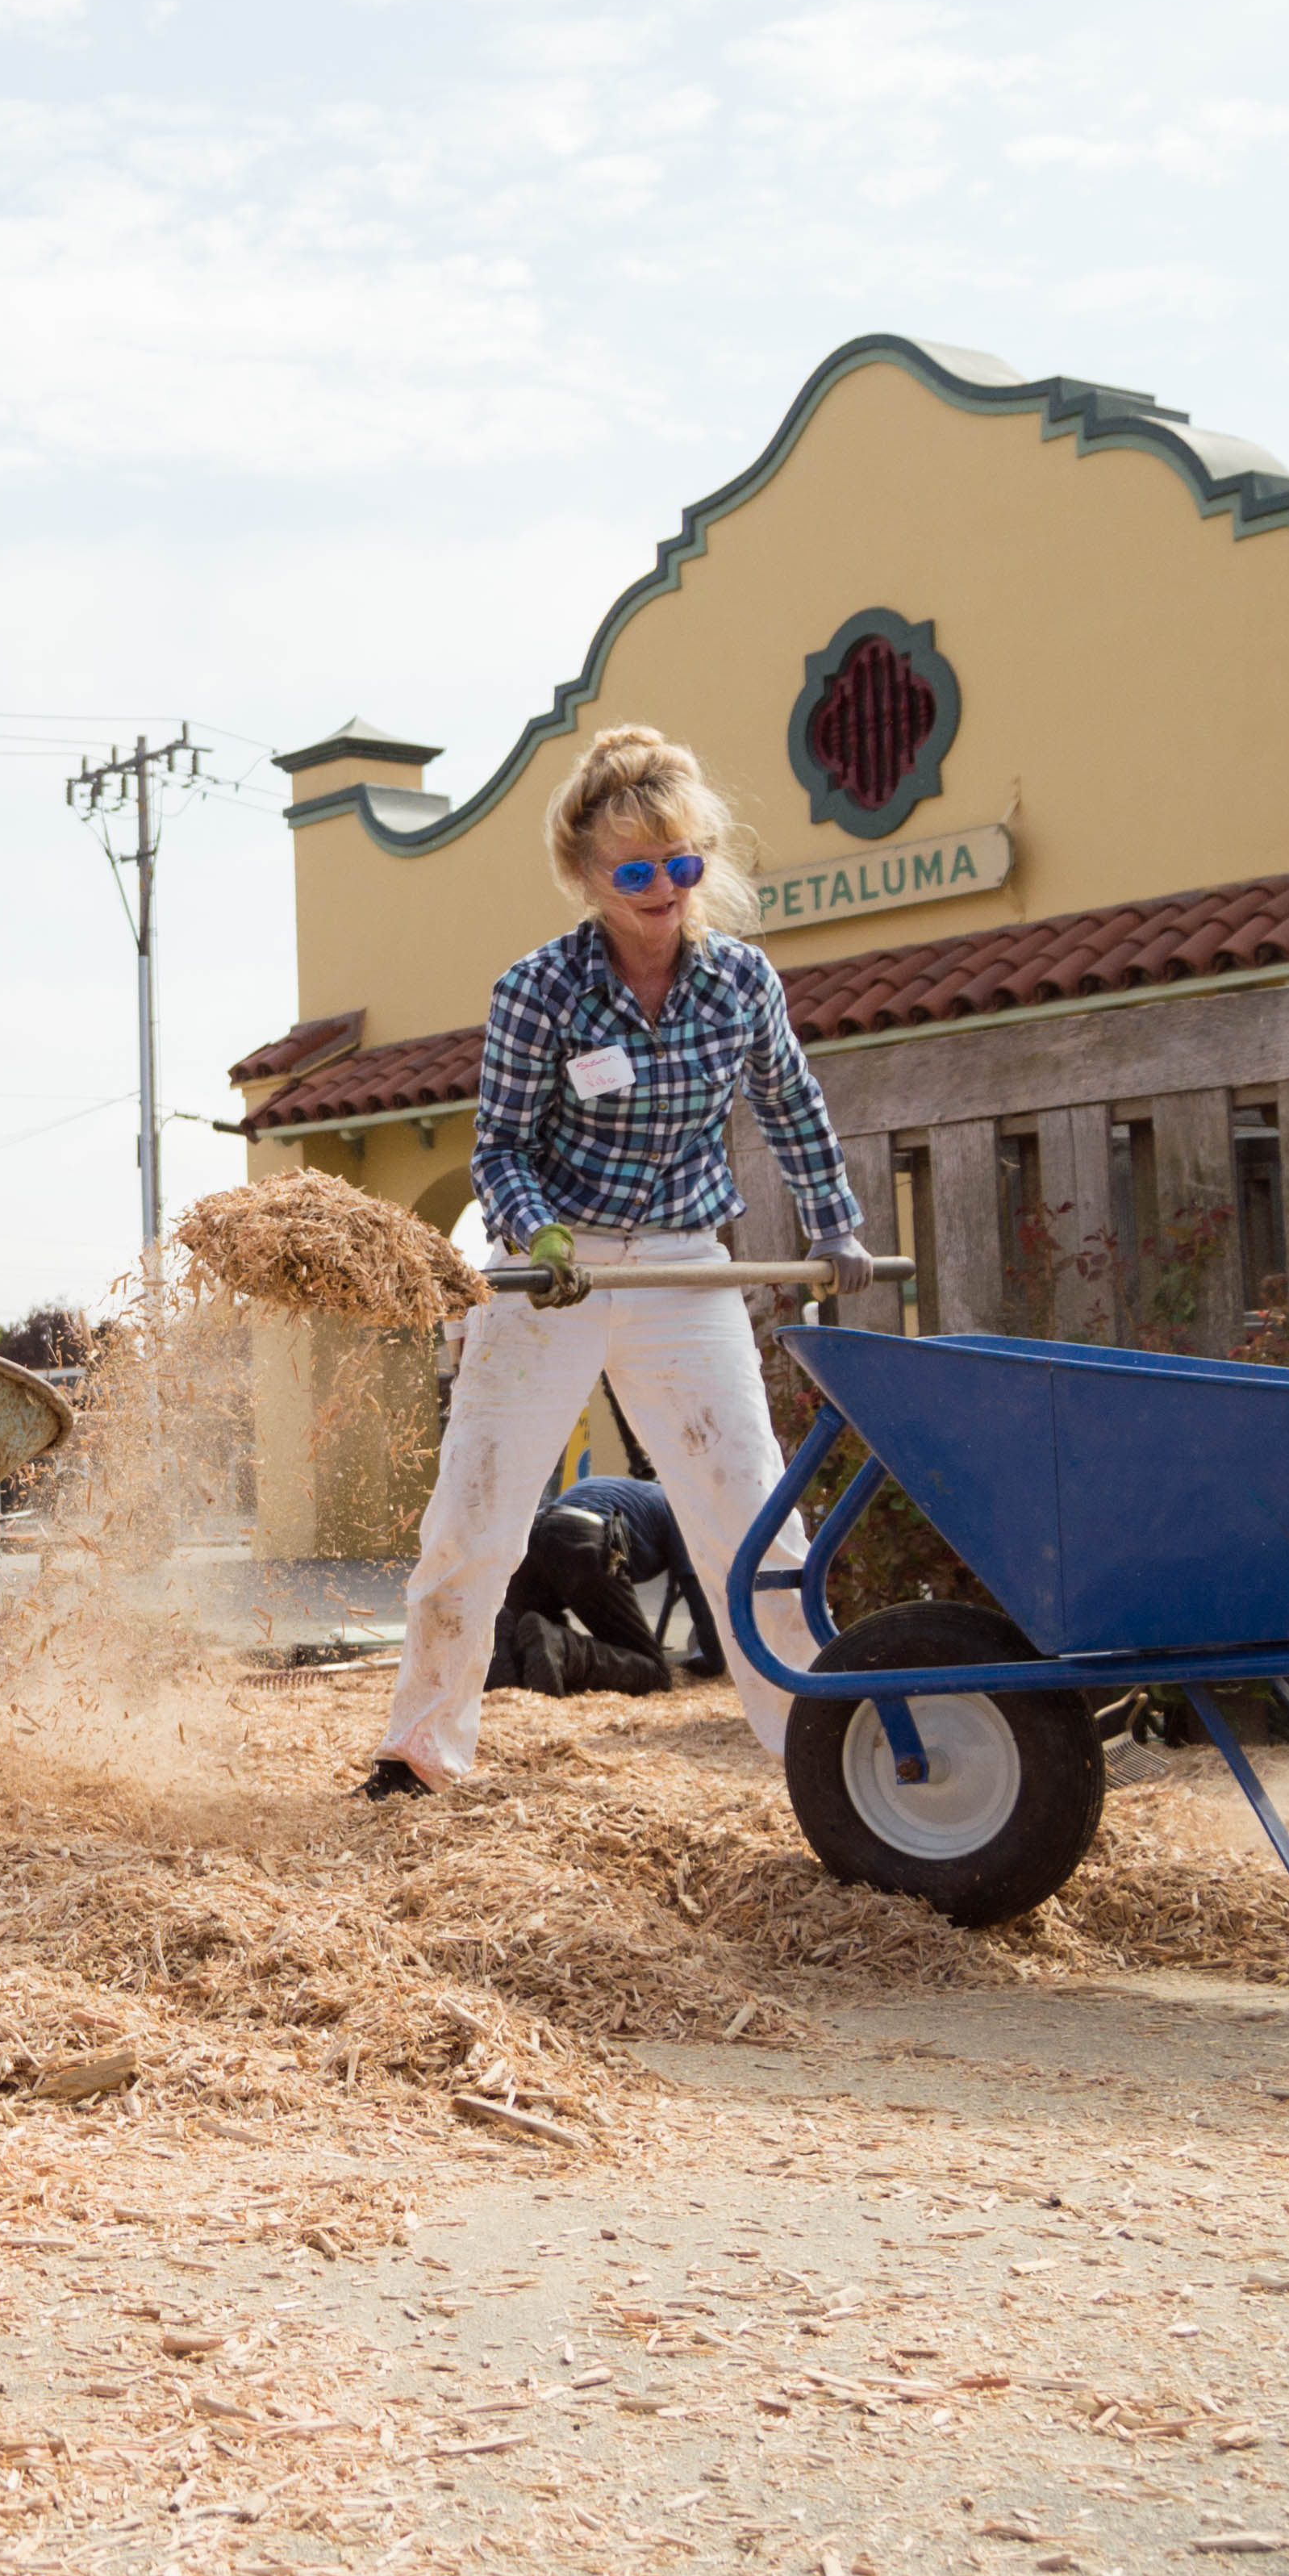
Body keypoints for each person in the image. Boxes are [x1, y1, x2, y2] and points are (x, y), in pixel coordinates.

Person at [363, 725, 874, 1797]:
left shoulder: (740, 982)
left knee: (750, 1506)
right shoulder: (539, 991)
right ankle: (422, 1747)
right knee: (478, 1513)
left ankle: (824, 1751)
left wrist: (836, 1226)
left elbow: (791, 1105)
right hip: (554, 1271)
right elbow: (498, 1144)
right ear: (586, 877)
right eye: (635, 871)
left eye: (682, 864)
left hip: (684, 1265)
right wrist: (538, 1231)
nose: (664, 889)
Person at [487, 1484, 682, 1701]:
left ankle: (506, 1642)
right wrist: (712, 1661)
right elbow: (697, 1588)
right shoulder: (679, 1507)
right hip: (582, 1539)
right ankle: (563, 1648)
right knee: (655, 1673)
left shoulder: (612, 1488)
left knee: (534, 1632)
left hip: (531, 1538)